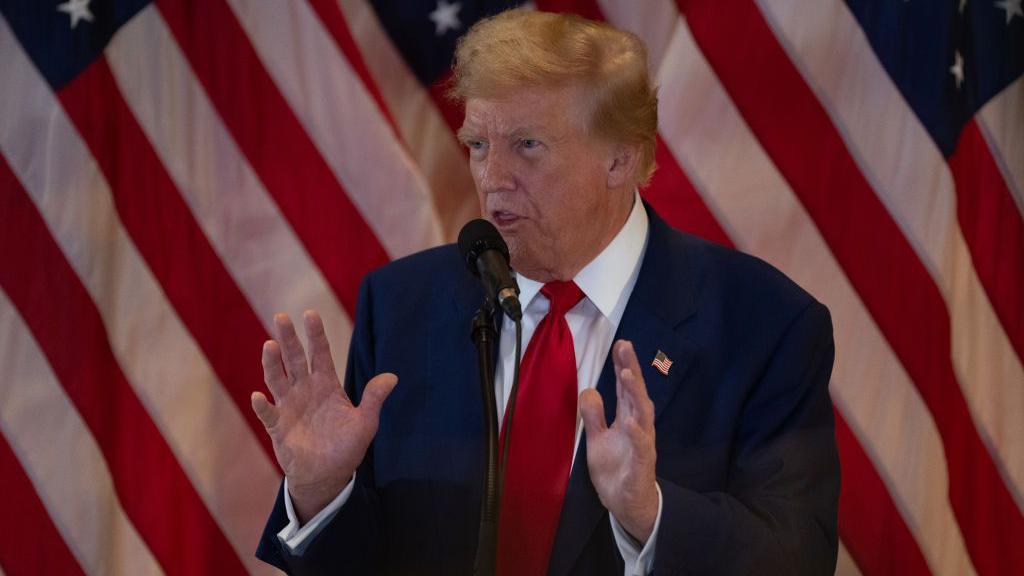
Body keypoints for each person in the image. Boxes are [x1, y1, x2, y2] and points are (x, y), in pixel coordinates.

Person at [252, 9, 839, 576]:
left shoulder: (764, 325)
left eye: (527, 145)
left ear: (620, 158)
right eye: (479, 145)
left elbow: (797, 558)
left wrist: (650, 517)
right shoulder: (403, 304)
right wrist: (323, 493)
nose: (491, 177)